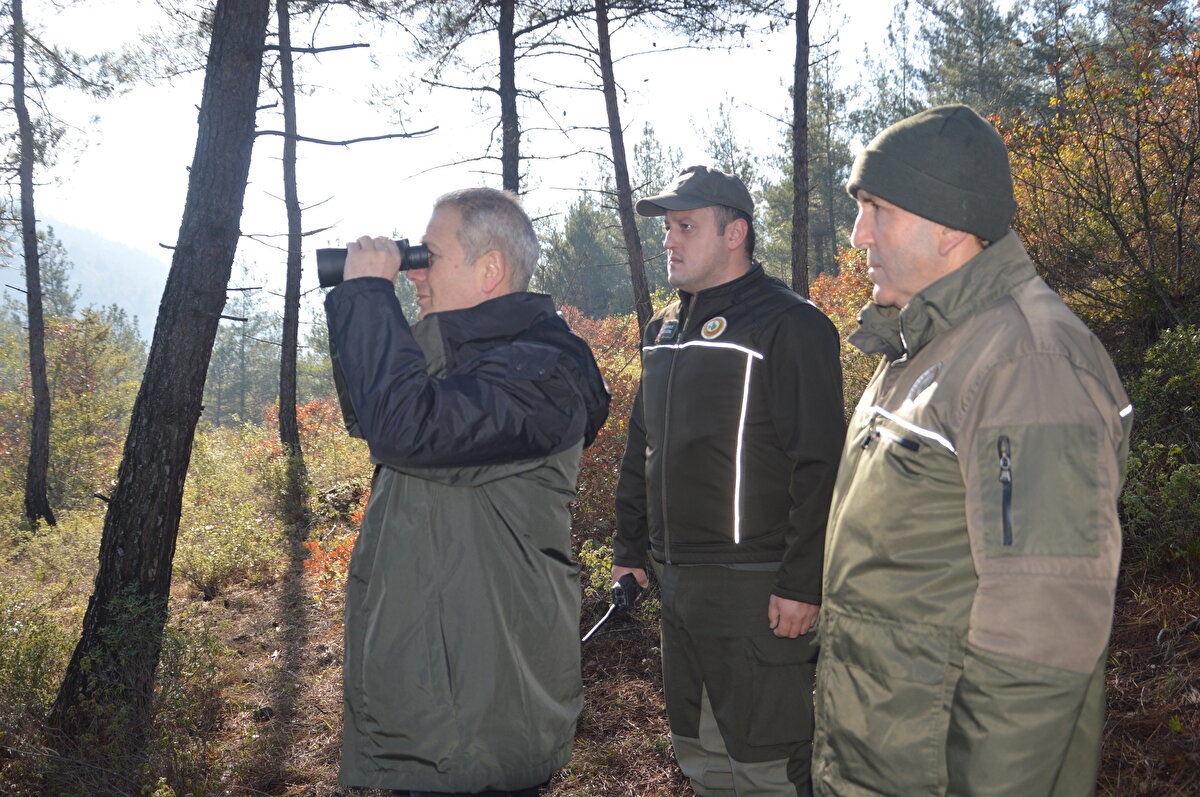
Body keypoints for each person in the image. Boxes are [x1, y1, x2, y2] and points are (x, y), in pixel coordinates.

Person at [812, 105, 1132, 796]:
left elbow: (1041, 630)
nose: (859, 234)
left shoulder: (1027, 364)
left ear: (951, 226)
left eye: (878, 209)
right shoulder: (923, 344)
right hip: (883, 758)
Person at [325, 187, 610, 797]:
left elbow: (407, 429)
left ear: (490, 270)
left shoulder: (540, 374)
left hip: (483, 710)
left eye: (428, 257)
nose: (414, 273)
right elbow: (373, 415)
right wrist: (361, 303)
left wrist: (369, 296)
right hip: (434, 702)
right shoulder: (464, 367)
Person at [612, 165, 845, 797]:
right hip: (676, 581)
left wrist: (801, 582)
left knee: (768, 765)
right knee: (701, 755)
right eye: (667, 228)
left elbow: (820, 463)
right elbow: (641, 447)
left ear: (735, 233)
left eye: (685, 226)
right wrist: (629, 550)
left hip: (755, 585)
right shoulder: (663, 330)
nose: (669, 240)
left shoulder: (789, 324)